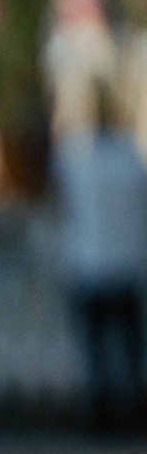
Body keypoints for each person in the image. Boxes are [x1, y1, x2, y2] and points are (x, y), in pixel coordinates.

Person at [54, 111, 147, 434]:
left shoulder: (80, 164)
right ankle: (133, 410)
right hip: (126, 267)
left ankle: (100, 415)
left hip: (90, 266)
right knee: (129, 349)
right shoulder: (132, 164)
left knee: (96, 352)